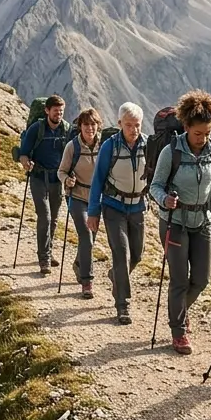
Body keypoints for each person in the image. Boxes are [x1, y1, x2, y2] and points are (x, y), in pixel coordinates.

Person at [149, 89, 211, 355]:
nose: (203, 138)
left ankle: (179, 312)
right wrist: (164, 200)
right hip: (175, 221)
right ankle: (179, 330)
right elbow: (155, 186)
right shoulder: (171, 152)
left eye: (207, 132)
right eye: (198, 133)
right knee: (180, 280)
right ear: (186, 127)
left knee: (202, 280)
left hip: (203, 222)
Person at [86, 102, 148, 325]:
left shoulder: (148, 146)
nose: (134, 129)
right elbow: (97, 181)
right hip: (113, 207)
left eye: (137, 125)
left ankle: (116, 275)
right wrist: (93, 212)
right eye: (129, 125)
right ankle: (123, 304)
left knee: (137, 255)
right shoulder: (109, 147)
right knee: (121, 253)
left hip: (138, 207)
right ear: (120, 124)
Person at [18, 95, 69, 274]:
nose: (59, 114)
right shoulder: (36, 129)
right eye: (56, 111)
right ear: (47, 111)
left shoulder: (66, 129)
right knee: (45, 217)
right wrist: (26, 162)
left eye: (61, 111)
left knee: (54, 219)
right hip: (38, 177)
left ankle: (48, 249)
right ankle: (44, 258)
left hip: (57, 180)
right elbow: (23, 152)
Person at [59, 108, 103, 299]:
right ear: (80, 126)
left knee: (90, 238)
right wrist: (67, 180)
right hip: (76, 196)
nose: (90, 128)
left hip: (97, 199)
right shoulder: (72, 147)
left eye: (93, 124)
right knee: (86, 235)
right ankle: (87, 281)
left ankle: (79, 264)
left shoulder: (105, 145)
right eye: (86, 125)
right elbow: (61, 171)